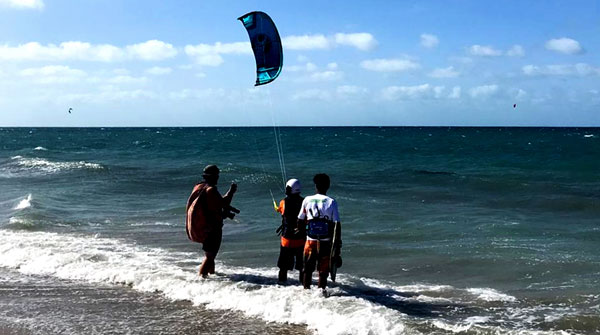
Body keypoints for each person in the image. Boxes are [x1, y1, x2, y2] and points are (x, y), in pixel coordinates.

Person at [186, 164, 237, 278]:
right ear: (213, 176)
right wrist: (231, 191)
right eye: (216, 175)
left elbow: (212, 205)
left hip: (205, 227)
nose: (217, 177)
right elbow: (223, 202)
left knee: (210, 254)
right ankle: (201, 278)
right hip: (212, 228)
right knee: (210, 256)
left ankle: (211, 275)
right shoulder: (211, 190)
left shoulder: (200, 186)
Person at [298, 173, 341, 290]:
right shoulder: (331, 202)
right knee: (323, 271)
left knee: (307, 269)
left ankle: (306, 291)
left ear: (315, 185)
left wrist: (303, 234)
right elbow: (337, 225)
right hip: (325, 242)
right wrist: (337, 244)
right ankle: (321, 294)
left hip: (310, 240)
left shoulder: (307, 200)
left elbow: (300, 220)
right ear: (328, 186)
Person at [275, 178, 306, 283]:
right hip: (301, 239)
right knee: (302, 267)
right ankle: (305, 289)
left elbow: (281, 211)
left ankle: (281, 285)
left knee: (283, 267)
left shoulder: (283, 202)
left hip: (287, 240)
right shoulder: (304, 202)